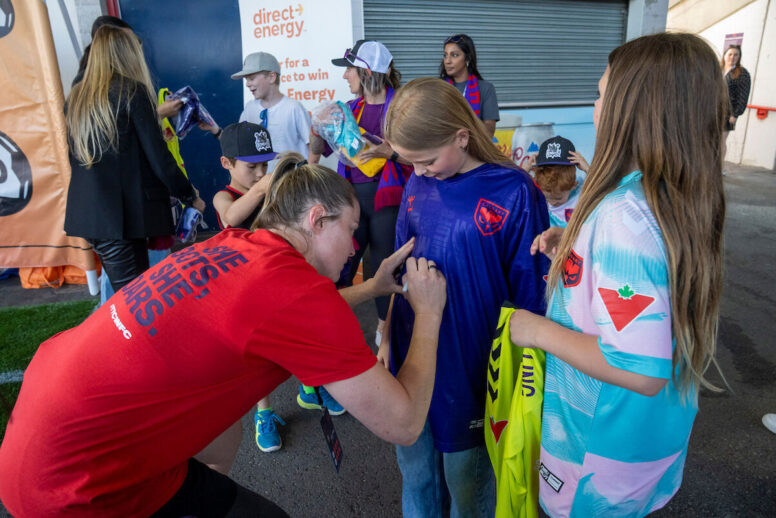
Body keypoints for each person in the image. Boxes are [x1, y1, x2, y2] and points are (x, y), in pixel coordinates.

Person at [0, 154, 448, 517]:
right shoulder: (297, 293)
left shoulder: (234, 244)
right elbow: (403, 423)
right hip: (73, 487)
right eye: (351, 230)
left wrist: (373, 287)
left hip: (40, 435)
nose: (355, 246)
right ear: (316, 220)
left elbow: (283, 319)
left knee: (226, 464)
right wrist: (427, 312)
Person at [511, 32, 727, 517]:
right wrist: (571, 259)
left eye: (600, 94)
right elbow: (640, 301)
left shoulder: (621, 216)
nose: (594, 104)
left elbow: (637, 366)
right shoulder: (672, 198)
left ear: (633, 111)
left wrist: (537, 330)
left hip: (595, 457)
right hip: (646, 445)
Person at [381, 77, 550, 518]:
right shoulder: (418, 184)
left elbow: (532, 295)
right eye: (408, 163)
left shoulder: (514, 191)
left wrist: (526, 385)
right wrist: (385, 336)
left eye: (427, 160)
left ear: (461, 135)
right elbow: (402, 268)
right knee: (416, 477)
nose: (418, 173)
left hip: (475, 372)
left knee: (468, 491)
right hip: (410, 357)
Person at [64, 25, 205, 293]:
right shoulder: (131, 91)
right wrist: (191, 195)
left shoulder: (78, 97)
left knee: (126, 297)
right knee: (133, 302)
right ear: (127, 54)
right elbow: (160, 159)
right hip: (120, 219)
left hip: (91, 216)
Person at [314, 39, 412, 347]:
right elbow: (321, 148)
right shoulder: (348, 110)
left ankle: (385, 335)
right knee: (340, 266)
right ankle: (332, 332)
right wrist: (316, 129)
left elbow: (424, 159)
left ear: (367, 72)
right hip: (350, 200)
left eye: (350, 71)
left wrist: (390, 153)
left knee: (385, 264)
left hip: (388, 200)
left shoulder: (401, 108)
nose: (345, 77)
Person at [229, 52, 311, 172]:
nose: (247, 84)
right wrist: (214, 130)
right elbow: (237, 143)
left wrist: (308, 175)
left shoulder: (293, 108)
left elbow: (312, 147)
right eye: (246, 80)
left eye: (251, 78)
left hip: (292, 184)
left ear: (272, 77)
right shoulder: (249, 109)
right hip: (262, 184)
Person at [439, 34, 499, 137]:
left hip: (474, 150)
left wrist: (465, 115)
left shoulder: (485, 88)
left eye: (454, 55)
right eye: (445, 55)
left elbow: (489, 133)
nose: (447, 61)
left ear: (467, 59)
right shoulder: (439, 88)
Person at [530, 135, 588, 228]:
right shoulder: (538, 196)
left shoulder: (581, 192)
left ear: (573, 185)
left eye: (558, 198)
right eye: (548, 198)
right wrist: (525, 169)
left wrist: (587, 168)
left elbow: (604, 187)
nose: (552, 203)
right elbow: (513, 192)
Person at [722, 45, 751, 134]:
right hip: (712, 110)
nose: (732, 57)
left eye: (736, 55)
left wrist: (735, 115)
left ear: (739, 57)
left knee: (721, 141)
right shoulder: (718, 70)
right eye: (730, 54)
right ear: (724, 55)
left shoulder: (742, 73)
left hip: (728, 113)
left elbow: (743, 96)